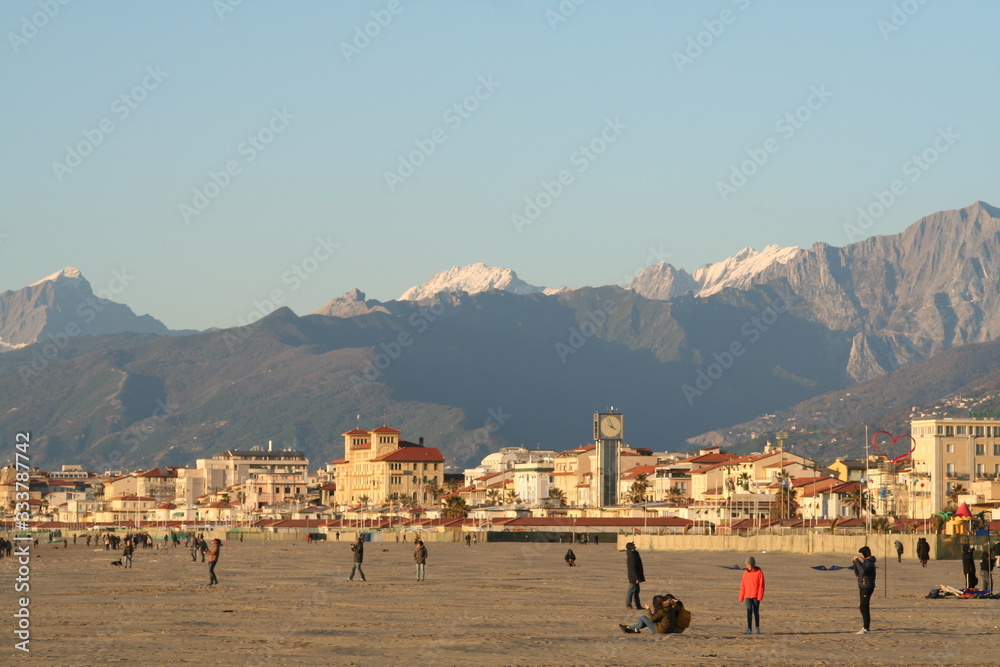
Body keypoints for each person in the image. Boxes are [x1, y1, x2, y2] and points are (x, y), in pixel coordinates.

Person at [852, 546, 877, 634]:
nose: (861, 556)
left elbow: (862, 571)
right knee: (863, 606)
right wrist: (855, 563)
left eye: (861, 555)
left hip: (867, 587)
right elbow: (858, 573)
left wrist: (857, 561)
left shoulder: (869, 563)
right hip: (863, 586)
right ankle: (866, 627)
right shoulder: (865, 562)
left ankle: (866, 628)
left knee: (864, 607)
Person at [739, 556, 765, 634]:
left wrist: (760, 596)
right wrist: (741, 597)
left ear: (752, 564)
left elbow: (761, 585)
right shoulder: (745, 573)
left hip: (756, 596)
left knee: (756, 612)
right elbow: (743, 585)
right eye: (746, 565)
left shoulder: (759, 572)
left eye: (748, 565)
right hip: (747, 595)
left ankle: (757, 628)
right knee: (749, 611)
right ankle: (749, 629)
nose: (747, 566)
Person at [625, 542, 645, 610]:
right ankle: (628, 604)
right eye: (634, 546)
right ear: (631, 547)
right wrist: (636, 578)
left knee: (636, 591)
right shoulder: (632, 555)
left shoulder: (634, 554)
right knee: (631, 590)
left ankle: (638, 605)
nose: (635, 546)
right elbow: (633, 568)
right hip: (633, 577)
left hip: (635, 576)